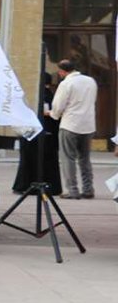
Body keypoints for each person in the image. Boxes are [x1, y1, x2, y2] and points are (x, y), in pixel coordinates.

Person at [50, 59, 98, 199]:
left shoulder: (66, 84)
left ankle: (72, 190)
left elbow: (58, 105)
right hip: (88, 124)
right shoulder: (90, 81)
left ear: (61, 71)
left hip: (70, 124)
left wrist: (54, 115)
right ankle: (88, 189)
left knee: (68, 158)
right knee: (85, 159)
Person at [13, 73, 62, 196]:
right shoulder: (51, 95)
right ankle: (50, 186)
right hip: (48, 133)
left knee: (28, 160)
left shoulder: (33, 95)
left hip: (31, 131)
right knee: (48, 161)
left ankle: (25, 185)